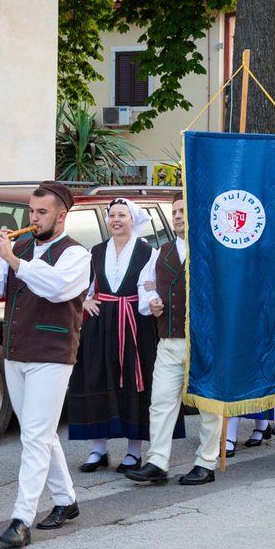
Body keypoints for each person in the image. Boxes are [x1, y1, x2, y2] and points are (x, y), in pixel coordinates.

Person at [0, 182, 90, 547]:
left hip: (53, 355)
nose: (33, 218)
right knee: (37, 433)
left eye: (41, 212)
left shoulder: (76, 254)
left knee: (36, 437)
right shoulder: (19, 248)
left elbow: (55, 288)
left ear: (61, 215)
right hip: (16, 351)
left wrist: (13, 260)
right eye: (31, 211)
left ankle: (21, 519)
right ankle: (66, 500)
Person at [67, 199, 172, 472]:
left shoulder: (148, 251)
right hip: (101, 324)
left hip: (135, 323)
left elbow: (152, 286)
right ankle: (98, 449)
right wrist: (84, 301)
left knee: (134, 384)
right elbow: (83, 285)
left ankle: (134, 452)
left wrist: (153, 302)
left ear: (132, 220)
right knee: (97, 379)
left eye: (121, 215)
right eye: (112, 215)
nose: (116, 220)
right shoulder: (96, 250)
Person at [127, 193, 221, 486]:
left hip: (205, 341)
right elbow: (146, 286)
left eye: (183, 211)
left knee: (208, 404)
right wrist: (152, 300)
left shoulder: (211, 251)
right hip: (168, 338)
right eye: (175, 212)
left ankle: (206, 462)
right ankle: (157, 461)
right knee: (161, 401)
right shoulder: (161, 252)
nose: (178, 216)